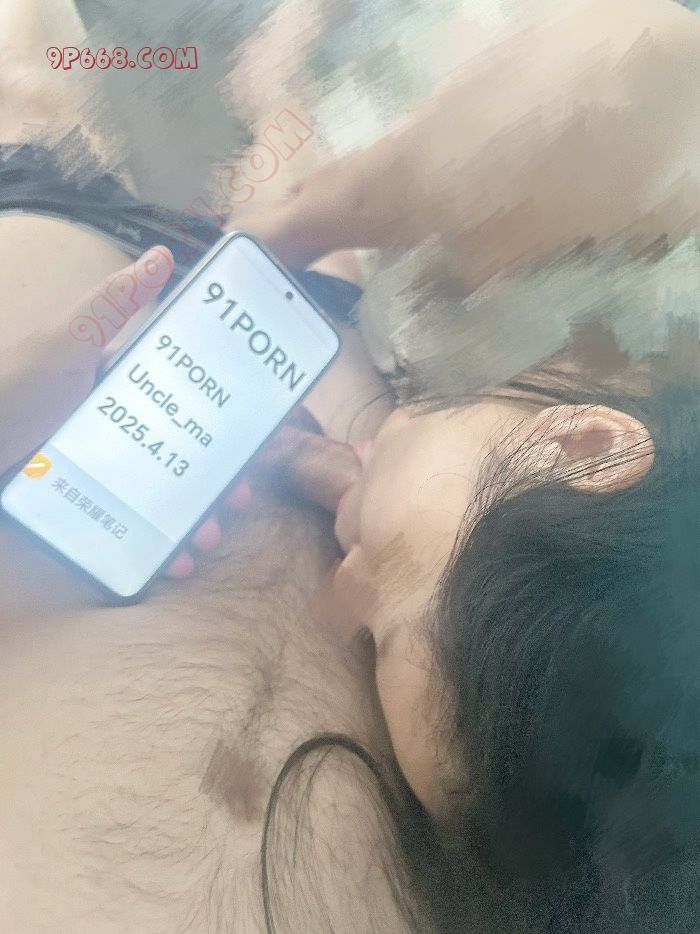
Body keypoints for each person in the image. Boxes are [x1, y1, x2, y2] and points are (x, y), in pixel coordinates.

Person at [1, 2, 698, 933]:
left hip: (276, 311)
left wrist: (376, 497)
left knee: (63, 104)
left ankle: (266, 88)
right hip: (289, 264)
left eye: (363, 644)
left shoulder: (558, 775)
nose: (343, 581)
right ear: (581, 443)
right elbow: (644, 58)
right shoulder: (644, 309)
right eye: (388, 600)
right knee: (49, 81)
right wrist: (289, 227)